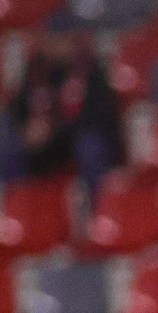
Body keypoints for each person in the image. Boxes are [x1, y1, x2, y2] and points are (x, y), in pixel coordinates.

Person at [10, 24, 122, 196]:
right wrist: (26, 130)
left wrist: (52, 130)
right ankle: (21, 209)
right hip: (50, 145)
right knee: (12, 147)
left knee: (90, 147)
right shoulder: (35, 70)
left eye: (63, 39)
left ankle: (98, 208)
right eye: (53, 39)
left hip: (79, 138)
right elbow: (18, 109)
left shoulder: (91, 70)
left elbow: (98, 117)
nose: (58, 45)